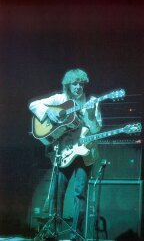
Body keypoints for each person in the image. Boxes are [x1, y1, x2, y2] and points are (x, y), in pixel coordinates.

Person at [29, 68, 102, 241]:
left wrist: (90, 116)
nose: (78, 87)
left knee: (80, 194)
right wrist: (48, 112)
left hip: (84, 154)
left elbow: (96, 129)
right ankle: (53, 232)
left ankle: (75, 235)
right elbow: (33, 105)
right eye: (74, 84)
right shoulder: (59, 99)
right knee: (57, 192)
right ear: (68, 85)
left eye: (81, 84)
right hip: (64, 153)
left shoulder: (92, 101)